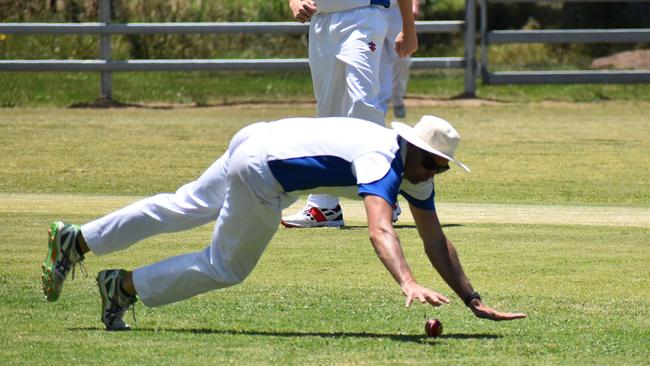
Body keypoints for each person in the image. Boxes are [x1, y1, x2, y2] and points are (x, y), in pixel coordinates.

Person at [41, 115, 527, 331]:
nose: (437, 173)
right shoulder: (384, 162)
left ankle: (76, 240)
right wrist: (407, 281)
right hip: (264, 169)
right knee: (225, 267)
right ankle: (122, 288)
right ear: (417, 150)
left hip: (260, 138)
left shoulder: (415, 171)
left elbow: (436, 241)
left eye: (443, 166)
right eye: (437, 163)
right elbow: (380, 229)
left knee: (184, 204)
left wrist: (472, 299)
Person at [282, 0, 419, 228]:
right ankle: (324, 206)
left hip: (364, 16)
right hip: (321, 20)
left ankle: (386, 195)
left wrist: (409, 28)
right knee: (327, 114)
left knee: (362, 104)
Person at [379, 0, 421, 119]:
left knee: (402, 58)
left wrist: (415, 5)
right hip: (373, 9)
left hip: (397, 10)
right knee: (379, 62)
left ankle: (397, 98)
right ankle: (380, 108)